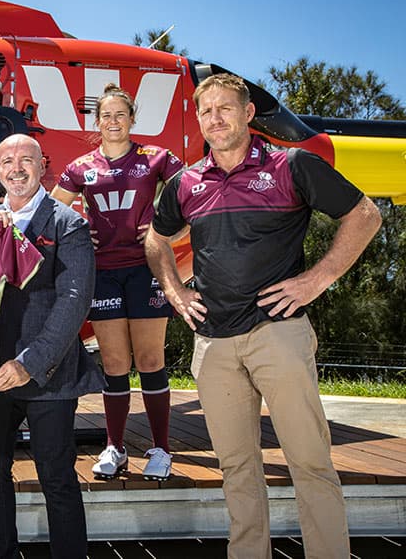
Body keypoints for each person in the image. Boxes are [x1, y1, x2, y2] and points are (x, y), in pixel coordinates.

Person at [145, 73, 382, 559]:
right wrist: (173, 290)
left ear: (248, 113)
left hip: (279, 335)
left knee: (309, 462)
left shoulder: (292, 166)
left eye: (225, 108)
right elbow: (155, 239)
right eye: (206, 110)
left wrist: (316, 281)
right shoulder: (185, 182)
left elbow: (365, 215)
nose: (215, 118)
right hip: (214, 343)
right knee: (236, 467)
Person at [0, 134, 103, 559]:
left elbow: (73, 301)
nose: (16, 168)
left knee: (57, 476)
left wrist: (30, 363)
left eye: (25, 159)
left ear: (42, 165)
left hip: (49, 376)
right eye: (7, 160)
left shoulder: (70, 224)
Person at [51, 83, 182, 481]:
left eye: (120, 115)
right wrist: (77, 230)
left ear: (132, 119)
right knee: (114, 363)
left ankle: (160, 449)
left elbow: (195, 195)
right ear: (97, 121)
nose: (112, 122)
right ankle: (116, 447)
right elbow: (53, 211)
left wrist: (165, 231)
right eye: (105, 116)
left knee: (149, 361)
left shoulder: (155, 158)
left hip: (146, 269)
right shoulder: (81, 166)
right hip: (103, 271)